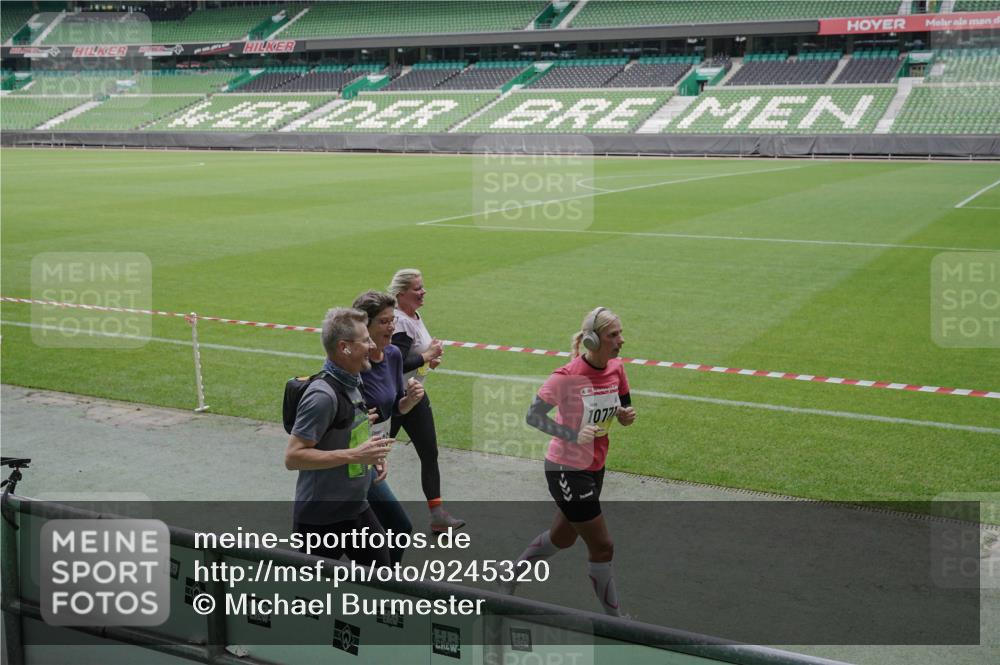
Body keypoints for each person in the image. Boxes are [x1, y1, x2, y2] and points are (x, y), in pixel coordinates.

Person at [501, 307, 637, 616]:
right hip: (566, 468)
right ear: (592, 340)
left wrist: (625, 416)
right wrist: (572, 434)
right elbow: (533, 416)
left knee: (562, 536)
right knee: (603, 546)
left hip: (594, 467)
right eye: (613, 335)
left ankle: (509, 574)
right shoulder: (566, 376)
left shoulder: (617, 369)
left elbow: (624, 411)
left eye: (620, 333)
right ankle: (615, 619)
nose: (621, 340)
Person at [284, 307, 394, 566]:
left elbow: (347, 431)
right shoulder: (321, 396)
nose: (372, 344)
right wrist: (356, 455)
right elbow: (293, 456)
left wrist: (370, 457)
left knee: (383, 581)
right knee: (312, 600)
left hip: (355, 508)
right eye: (365, 340)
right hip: (319, 520)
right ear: (344, 347)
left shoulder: (353, 381)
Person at [387, 268, 464, 532]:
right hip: (395, 398)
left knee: (429, 453)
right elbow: (396, 363)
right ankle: (357, 506)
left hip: (416, 395)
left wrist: (428, 362)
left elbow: (414, 362)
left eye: (423, 286)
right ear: (401, 294)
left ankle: (438, 515)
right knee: (376, 456)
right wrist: (426, 356)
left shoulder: (414, 316)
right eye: (417, 289)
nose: (423, 292)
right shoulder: (400, 322)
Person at [352, 290, 426, 563]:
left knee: (388, 531)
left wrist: (409, 402)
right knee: (396, 527)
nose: (391, 326)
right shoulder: (353, 362)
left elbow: (394, 406)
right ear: (364, 325)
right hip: (350, 462)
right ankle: (381, 588)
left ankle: (377, 587)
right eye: (383, 321)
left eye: (392, 320)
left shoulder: (393, 355)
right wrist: (357, 422)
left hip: (371, 458)